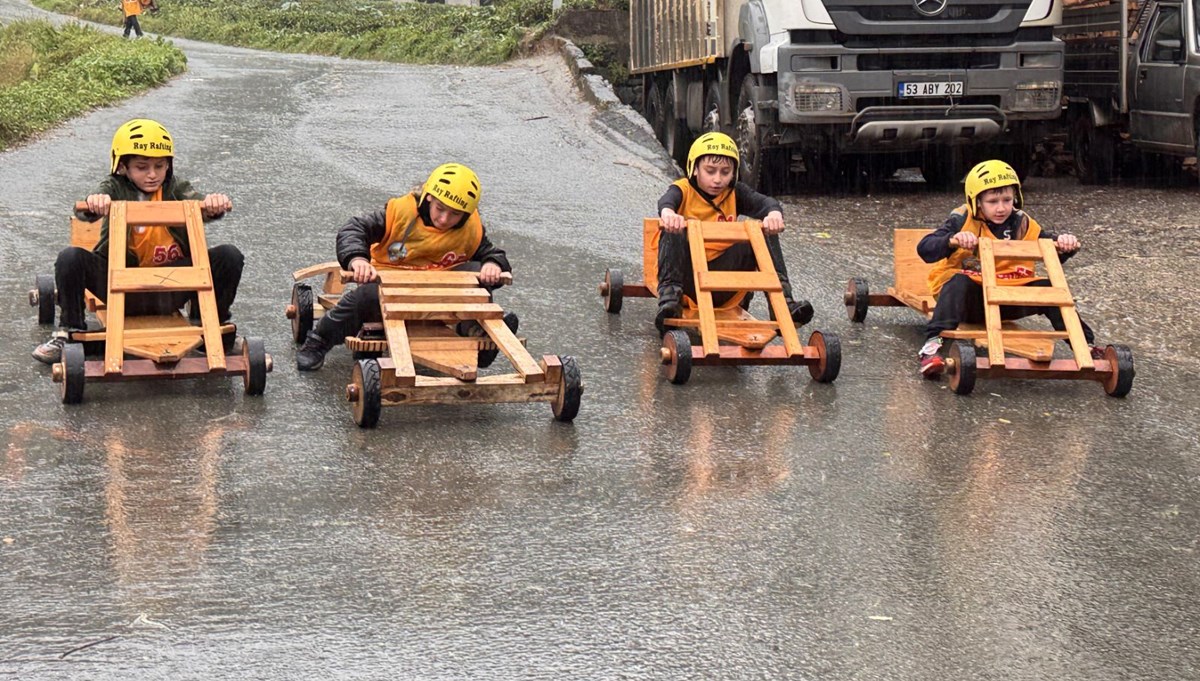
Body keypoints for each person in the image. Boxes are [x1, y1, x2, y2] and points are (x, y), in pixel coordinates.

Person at [32, 119, 243, 364]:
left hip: (169, 286)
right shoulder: (115, 186)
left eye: (159, 166)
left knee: (229, 255)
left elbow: (198, 202)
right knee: (70, 257)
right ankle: (69, 333)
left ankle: (214, 327)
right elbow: (86, 210)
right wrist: (95, 203)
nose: (152, 175)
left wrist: (213, 205)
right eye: (142, 167)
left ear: (168, 166)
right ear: (123, 167)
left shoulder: (175, 187)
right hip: (118, 285)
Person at [295, 163, 514, 371]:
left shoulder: (470, 229)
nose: (445, 219)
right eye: (440, 209)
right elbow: (354, 229)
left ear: (466, 215)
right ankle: (319, 341)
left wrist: (493, 264)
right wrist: (357, 260)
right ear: (429, 197)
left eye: (455, 214)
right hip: (391, 283)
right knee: (364, 298)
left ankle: (478, 336)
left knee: (476, 276)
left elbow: (491, 253)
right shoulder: (400, 213)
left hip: (440, 288)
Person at [915, 159, 1101, 376]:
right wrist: (952, 240)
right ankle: (932, 345)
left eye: (1007, 199)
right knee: (959, 281)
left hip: (1008, 296)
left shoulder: (1023, 223)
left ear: (1016, 198)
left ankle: (1085, 345)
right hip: (970, 301)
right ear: (977, 202)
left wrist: (1065, 246)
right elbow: (925, 249)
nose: (1001, 208)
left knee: (1051, 289)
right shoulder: (962, 219)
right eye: (992, 201)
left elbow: (1049, 251)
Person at [653, 132, 813, 334]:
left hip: (724, 281)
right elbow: (666, 202)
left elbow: (765, 202)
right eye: (710, 171)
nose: (717, 179)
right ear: (694, 169)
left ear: (733, 173)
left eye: (725, 172)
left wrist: (773, 214)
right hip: (688, 282)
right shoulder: (683, 189)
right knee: (673, 229)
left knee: (762, 233)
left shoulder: (735, 192)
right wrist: (669, 214)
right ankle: (669, 300)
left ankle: (782, 305)